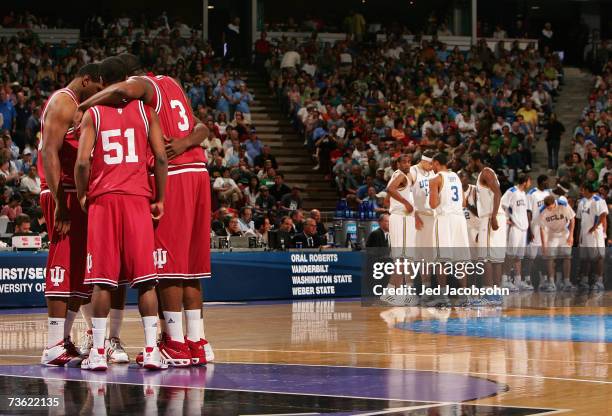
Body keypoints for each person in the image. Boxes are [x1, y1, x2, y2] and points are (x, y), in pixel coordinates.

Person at [75, 53, 213, 366]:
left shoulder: (136, 88)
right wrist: (187, 141)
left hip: (167, 177)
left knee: (164, 268)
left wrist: (85, 106)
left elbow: (121, 92)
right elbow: (202, 127)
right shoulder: (173, 85)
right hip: (198, 171)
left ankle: (174, 343)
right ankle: (197, 341)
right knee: (189, 270)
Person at [75, 96, 168, 371]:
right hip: (137, 199)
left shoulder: (94, 113)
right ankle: (151, 351)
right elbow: (161, 158)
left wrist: (82, 195)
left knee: (102, 282)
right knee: (146, 281)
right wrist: (160, 198)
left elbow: (82, 163)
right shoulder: (145, 111)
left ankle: (98, 352)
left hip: (104, 200)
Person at [38, 63, 107, 367]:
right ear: (86, 80)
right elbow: (48, 152)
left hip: (73, 192)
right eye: (97, 87)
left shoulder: (79, 106)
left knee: (79, 271)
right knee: (61, 265)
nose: (100, 93)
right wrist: (60, 204)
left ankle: (63, 339)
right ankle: (53, 344)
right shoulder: (63, 101)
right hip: (60, 192)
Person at [428, 152, 470, 306]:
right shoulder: (457, 178)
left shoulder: (435, 179)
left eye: (433, 164)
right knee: (460, 261)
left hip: (445, 219)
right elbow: (464, 203)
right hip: (459, 219)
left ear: (437, 163)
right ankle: (464, 297)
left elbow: (433, 204)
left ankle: (442, 297)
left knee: (441, 261)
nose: (432, 167)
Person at [469, 152, 507, 306]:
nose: (469, 164)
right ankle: (495, 293)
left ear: (477, 160)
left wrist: (493, 216)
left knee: (486, 258)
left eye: (470, 160)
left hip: (492, 216)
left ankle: (489, 292)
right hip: (491, 215)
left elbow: (498, 192)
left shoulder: (486, 172)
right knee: (494, 258)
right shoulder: (483, 174)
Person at [384, 154, 416, 305]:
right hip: (401, 217)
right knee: (402, 258)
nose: (407, 164)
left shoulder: (402, 176)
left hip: (402, 218)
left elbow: (386, 198)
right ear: (398, 164)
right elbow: (389, 189)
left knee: (405, 258)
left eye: (409, 162)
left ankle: (406, 294)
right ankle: (390, 293)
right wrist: (406, 203)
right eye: (404, 162)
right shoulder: (401, 174)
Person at [409, 150, 436, 294]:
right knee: (416, 254)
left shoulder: (431, 172)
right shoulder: (413, 171)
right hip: (418, 216)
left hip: (431, 217)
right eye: (430, 164)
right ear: (424, 161)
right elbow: (407, 194)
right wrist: (414, 215)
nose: (432, 167)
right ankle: (411, 287)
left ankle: (427, 287)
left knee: (429, 255)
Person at [537, 196, 575, 292]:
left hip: (564, 233)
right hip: (552, 234)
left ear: (555, 203)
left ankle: (567, 281)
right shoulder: (542, 210)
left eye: (550, 207)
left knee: (567, 257)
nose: (549, 209)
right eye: (547, 207)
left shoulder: (563, 204)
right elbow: (541, 228)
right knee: (550, 258)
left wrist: (571, 235)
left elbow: (572, 219)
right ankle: (551, 282)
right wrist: (544, 244)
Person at [500, 174, 532, 291]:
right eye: (529, 181)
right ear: (524, 182)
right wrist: (506, 219)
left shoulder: (524, 194)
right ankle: (504, 280)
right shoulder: (511, 191)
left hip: (523, 227)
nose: (530, 183)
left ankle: (518, 281)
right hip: (514, 227)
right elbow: (502, 205)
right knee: (510, 254)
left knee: (519, 256)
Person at [575, 183, 608, 292]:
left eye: (582, 190)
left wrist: (595, 227)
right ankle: (584, 281)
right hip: (584, 235)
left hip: (595, 235)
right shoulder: (581, 202)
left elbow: (603, 215)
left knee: (598, 257)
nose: (581, 192)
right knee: (585, 258)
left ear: (587, 190)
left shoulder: (598, 200)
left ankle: (599, 281)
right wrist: (578, 235)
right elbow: (579, 219)